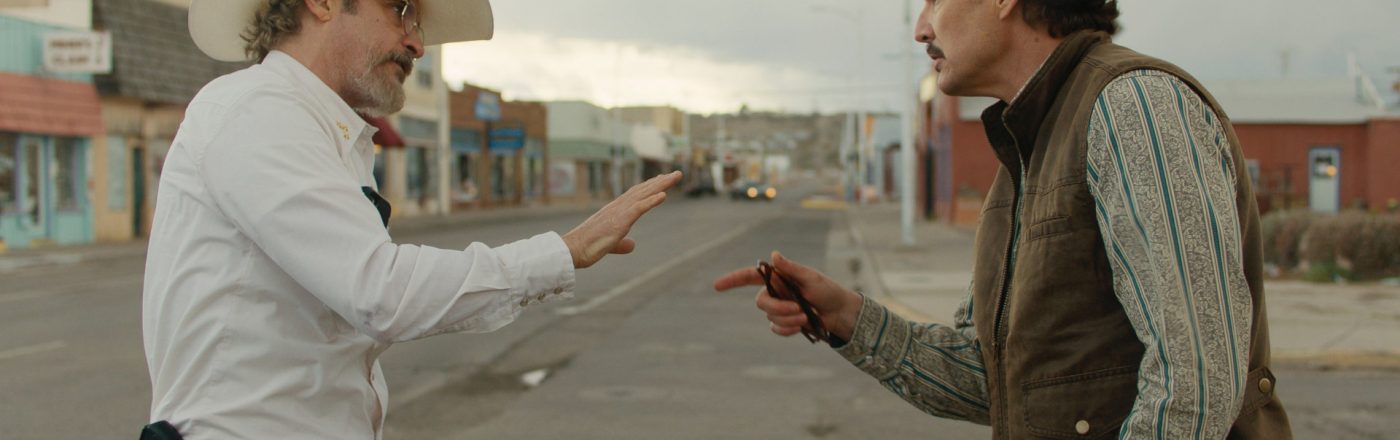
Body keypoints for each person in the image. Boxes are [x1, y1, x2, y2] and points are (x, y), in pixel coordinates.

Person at [715, 0, 1292, 438]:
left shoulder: (1133, 106)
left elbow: (1194, 384)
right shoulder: (1026, 151)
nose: (920, 29)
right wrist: (846, 315)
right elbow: (994, 381)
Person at [141, 0, 681, 438]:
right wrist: (563, 251)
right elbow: (381, 291)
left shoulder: (323, 131)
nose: (418, 42)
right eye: (400, 9)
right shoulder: (259, 111)